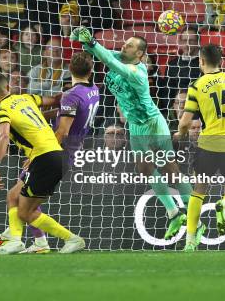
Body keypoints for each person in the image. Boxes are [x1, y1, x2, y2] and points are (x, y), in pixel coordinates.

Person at [72, 26, 195, 239]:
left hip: (152, 123)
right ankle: (174, 213)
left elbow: (108, 61)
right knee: (145, 168)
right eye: (125, 43)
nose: (124, 46)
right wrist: (78, 36)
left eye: (129, 45)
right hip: (136, 125)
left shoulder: (137, 72)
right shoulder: (120, 56)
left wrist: (92, 42)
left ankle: (194, 215)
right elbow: (95, 51)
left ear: (139, 54)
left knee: (171, 172)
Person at [0, 72, 85, 255]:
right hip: (54, 153)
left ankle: (72, 239)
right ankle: (30, 242)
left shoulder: (1, 112)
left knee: (25, 212)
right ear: (8, 87)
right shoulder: (26, 98)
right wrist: (69, 96)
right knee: (13, 196)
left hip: (44, 158)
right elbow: (55, 100)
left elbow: (3, 135)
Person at [175, 44, 225, 251]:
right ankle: (224, 205)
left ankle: (191, 240)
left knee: (198, 192)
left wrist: (180, 134)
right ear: (221, 61)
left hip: (208, 144)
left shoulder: (197, 85)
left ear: (201, 61)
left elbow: (185, 122)